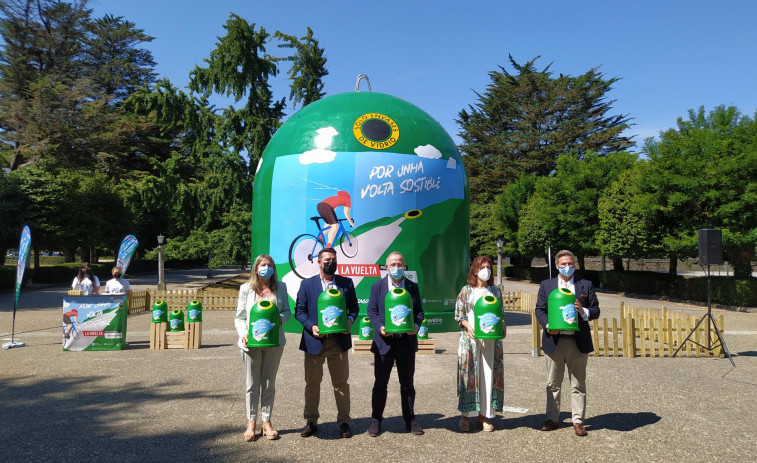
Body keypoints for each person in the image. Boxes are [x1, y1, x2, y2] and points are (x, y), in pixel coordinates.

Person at [294, 247, 359, 438]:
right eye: (327, 259)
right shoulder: (307, 284)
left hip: (338, 341)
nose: (331, 262)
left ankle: (345, 422)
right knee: (312, 383)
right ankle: (311, 421)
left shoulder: (346, 283)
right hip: (314, 342)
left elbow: (354, 308)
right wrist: (312, 326)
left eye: (334, 259)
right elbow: (300, 311)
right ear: (319, 262)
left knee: (341, 384)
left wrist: (350, 320)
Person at [534, 249, 600, 436]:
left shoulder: (585, 285)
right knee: (553, 383)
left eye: (570, 264)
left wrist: (584, 311)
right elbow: (539, 310)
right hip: (554, 341)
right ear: (556, 266)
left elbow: (596, 310)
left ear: (575, 265)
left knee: (578, 383)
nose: (567, 267)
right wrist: (547, 325)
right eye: (563, 264)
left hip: (577, 341)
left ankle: (578, 421)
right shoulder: (546, 285)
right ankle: (553, 418)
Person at [366, 251, 425, 437]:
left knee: (407, 384)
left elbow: (419, 312)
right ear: (386, 266)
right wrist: (380, 327)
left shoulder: (412, 287)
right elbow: (372, 310)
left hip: (405, 343)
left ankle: (410, 420)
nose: (397, 267)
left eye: (400, 264)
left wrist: (416, 326)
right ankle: (376, 420)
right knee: (380, 384)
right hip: (384, 343)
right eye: (393, 264)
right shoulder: (377, 286)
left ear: (405, 266)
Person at [234, 254, 291, 442]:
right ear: (256, 269)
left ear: (274, 269)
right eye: (263, 265)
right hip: (251, 343)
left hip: (274, 342)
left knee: (268, 384)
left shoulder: (280, 287)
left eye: (270, 265)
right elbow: (240, 317)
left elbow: (287, 312)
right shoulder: (245, 289)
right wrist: (243, 332)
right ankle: (251, 421)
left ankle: (266, 422)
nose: (267, 267)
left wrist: (278, 320)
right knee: (252, 384)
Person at [455, 255, 506, 432]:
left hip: (491, 342)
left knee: (488, 375)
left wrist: (503, 326)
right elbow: (459, 315)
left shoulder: (495, 291)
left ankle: (484, 416)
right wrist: (468, 325)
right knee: (468, 377)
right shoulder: (466, 291)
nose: (487, 270)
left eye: (489, 267)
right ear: (475, 270)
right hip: (471, 341)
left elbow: (501, 314)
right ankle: (465, 416)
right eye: (483, 266)